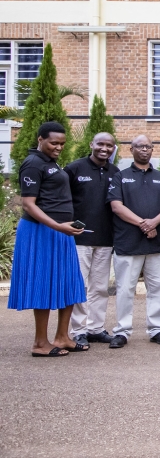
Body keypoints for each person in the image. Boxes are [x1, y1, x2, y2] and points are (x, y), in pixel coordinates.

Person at [8, 122, 87, 357]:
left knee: (69, 282)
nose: (59, 147)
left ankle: (62, 337)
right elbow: (28, 204)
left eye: (62, 144)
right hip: (41, 232)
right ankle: (40, 343)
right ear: (40, 139)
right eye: (54, 143)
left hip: (62, 232)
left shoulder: (50, 163)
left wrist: (64, 227)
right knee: (43, 283)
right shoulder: (32, 164)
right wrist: (57, 226)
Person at [107, 135, 160, 349]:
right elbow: (116, 206)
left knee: (158, 287)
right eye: (140, 146)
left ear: (153, 149)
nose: (144, 150)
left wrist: (155, 222)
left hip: (158, 243)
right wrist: (144, 224)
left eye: (148, 146)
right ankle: (122, 330)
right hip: (128, 243)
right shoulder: (121, 177)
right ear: (131, 149)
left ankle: (157, 329)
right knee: (125, 288)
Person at [65, 132, 119, 347]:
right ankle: (78, 330)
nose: (104, 148)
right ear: (91, 144)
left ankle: (96, 328)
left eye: (109, 145)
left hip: (106, 238)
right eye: (100, 144)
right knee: (81, 285)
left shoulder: (115, 172)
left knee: (100, 287)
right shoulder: (75, 168)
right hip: (80, 238)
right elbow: (63, 200)